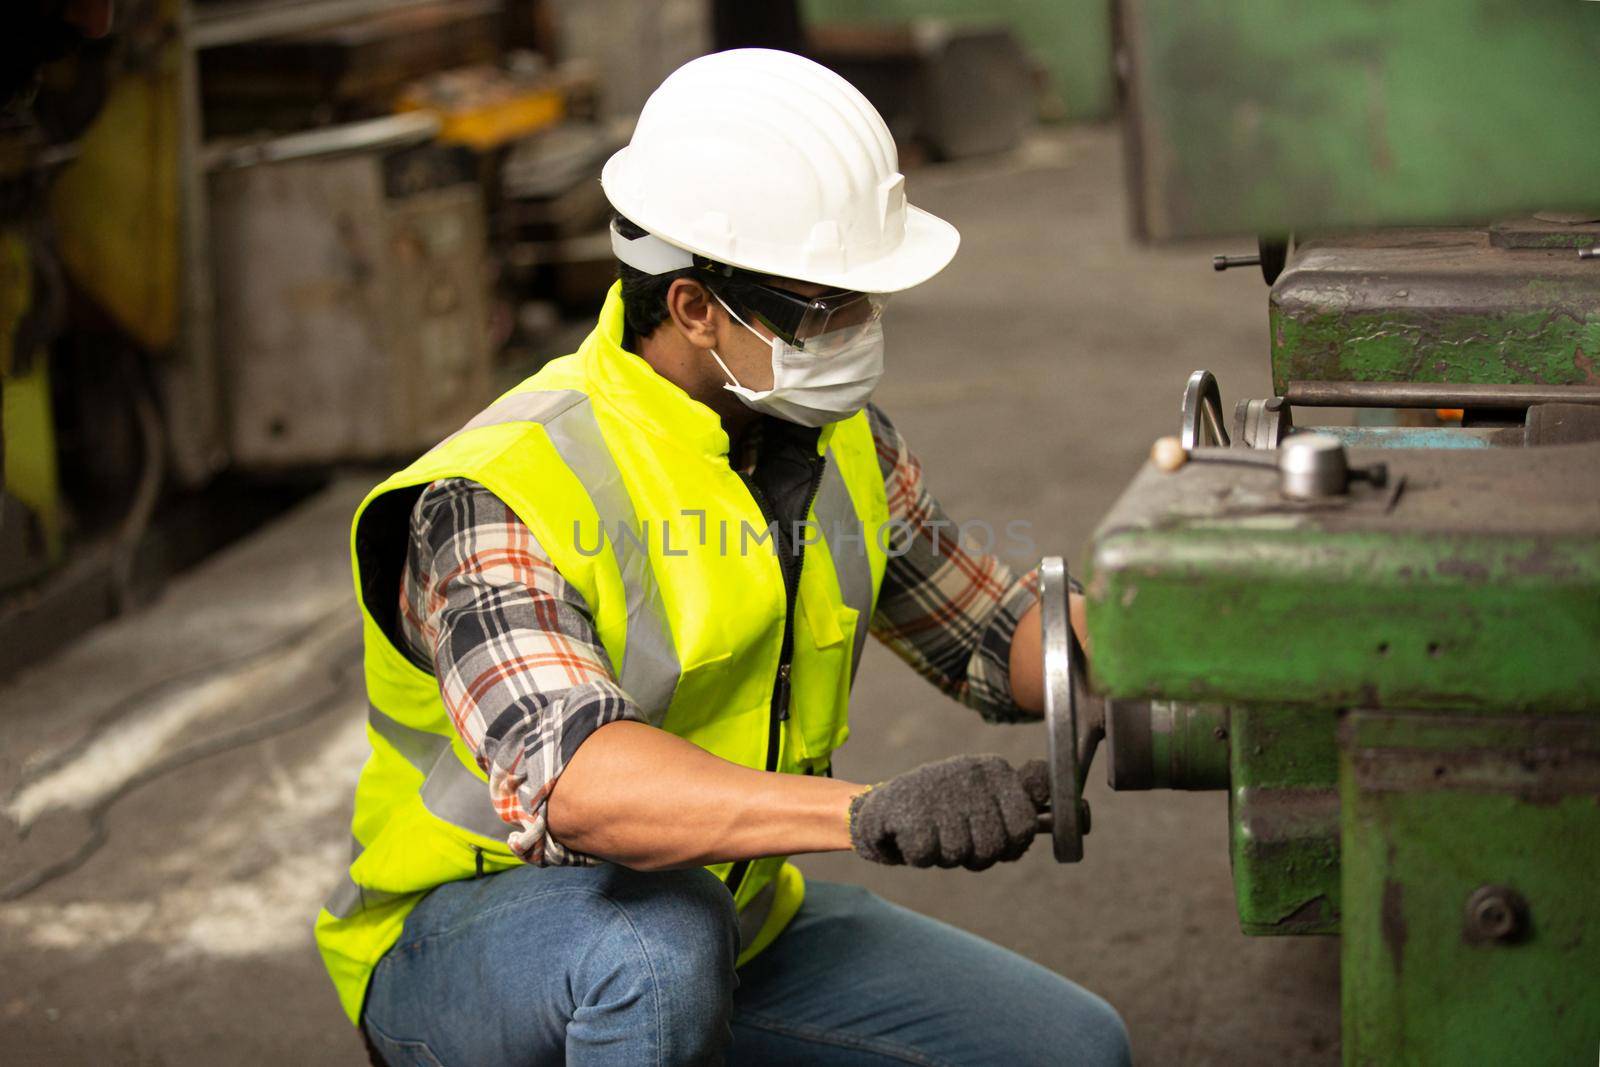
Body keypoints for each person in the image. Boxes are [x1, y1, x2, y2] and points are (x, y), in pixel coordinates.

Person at [315, 48, 1131, 1066]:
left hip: (730, 916)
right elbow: (581, 782)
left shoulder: (838, 442)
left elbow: (992, 630)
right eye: (826, 308)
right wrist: (873, 811)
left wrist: (1177, 648)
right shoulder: (504, 489)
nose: (861, 332)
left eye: (865, 301)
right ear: (695, 305)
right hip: (478, 939)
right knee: (652, 959)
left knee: (1069, 1049)